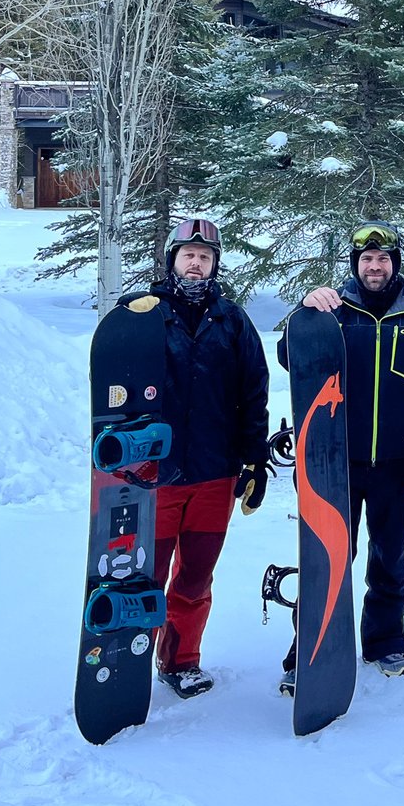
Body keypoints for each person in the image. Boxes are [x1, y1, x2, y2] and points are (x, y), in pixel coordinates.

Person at [276, 220, 404, 690]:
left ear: (394, 264)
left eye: (382, 259)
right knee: (327, 556)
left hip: (398, 463)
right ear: (355, 266)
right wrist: (306, 309)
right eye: (366, 260)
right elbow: (289, 355)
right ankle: (311, 645)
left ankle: (386, 640)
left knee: (391, 556)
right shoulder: (334, 310)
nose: (374, 267)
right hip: (334, 463)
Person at [122, 217, 270, 699]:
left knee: (195, 575)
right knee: (145, 575)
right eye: (188, 255)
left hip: (214, 474)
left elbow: (254, 394)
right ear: (172, 260)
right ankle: (129, 660)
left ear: (214, 266)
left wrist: (253, 460)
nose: (196, 263)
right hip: (155, 476)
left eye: (205, 257)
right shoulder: (145, 314)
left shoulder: (233, 321)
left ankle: (180, 660)